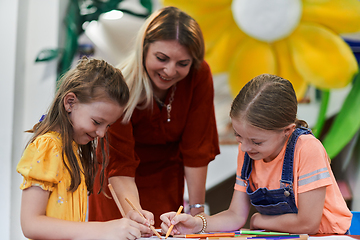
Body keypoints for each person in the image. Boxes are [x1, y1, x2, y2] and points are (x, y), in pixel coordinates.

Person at [160, 74, 352, 235]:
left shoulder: (307, 149)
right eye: (238, 136)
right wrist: (198, 224)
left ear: (287, 130)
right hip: (285, 236)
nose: (244, 147)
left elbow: (308, 224)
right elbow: (235, 215)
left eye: (256, 141)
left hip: (327, 236)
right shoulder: (248, 150)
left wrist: (260, 220)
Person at [88, 6, 220, 228]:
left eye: (182, 63)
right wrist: (135, 215)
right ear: (144, 49)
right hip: (119, 188)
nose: (170, 71)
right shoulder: (121, 88)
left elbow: (196, 149)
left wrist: (198, 214)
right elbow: (120, 167)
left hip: (166, 183)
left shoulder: (199, 76)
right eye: (162, 58)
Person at [16, 57, 153, 240]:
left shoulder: (72, 149)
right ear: (70, 103)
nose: (102, 133)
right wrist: (103, 230)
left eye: (108, 126)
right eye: (97, 122)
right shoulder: (48, 147)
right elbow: (31, 224)